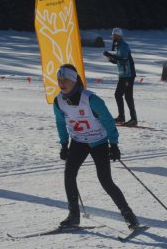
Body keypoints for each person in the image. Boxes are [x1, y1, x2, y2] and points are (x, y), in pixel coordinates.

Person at [53, 64, 139, 229]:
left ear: (74, 80)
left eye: (65, 80)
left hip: (98, 142)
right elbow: (60, 123)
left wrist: (113, 144)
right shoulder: (58, 102)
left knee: (105, 180)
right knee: (69, 175)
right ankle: (73, 215)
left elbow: (108, 121)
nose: (61, 83)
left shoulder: (92, 99)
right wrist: (64, 144)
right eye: (59, 80)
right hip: (78, 142)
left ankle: (129, 215)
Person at [103, 28, 138, 126]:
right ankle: (121, 117)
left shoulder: (124, 46)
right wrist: (110, 58)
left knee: (128, 96)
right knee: (118, 94)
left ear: (120, 36)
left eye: (116, 36)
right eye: (113, 36)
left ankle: (133, 119)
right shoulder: (118, 46)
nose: (114, 37)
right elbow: (117, 61)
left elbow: (124, 59)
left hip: (129, 75)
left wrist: (111, 55)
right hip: (123, 74)